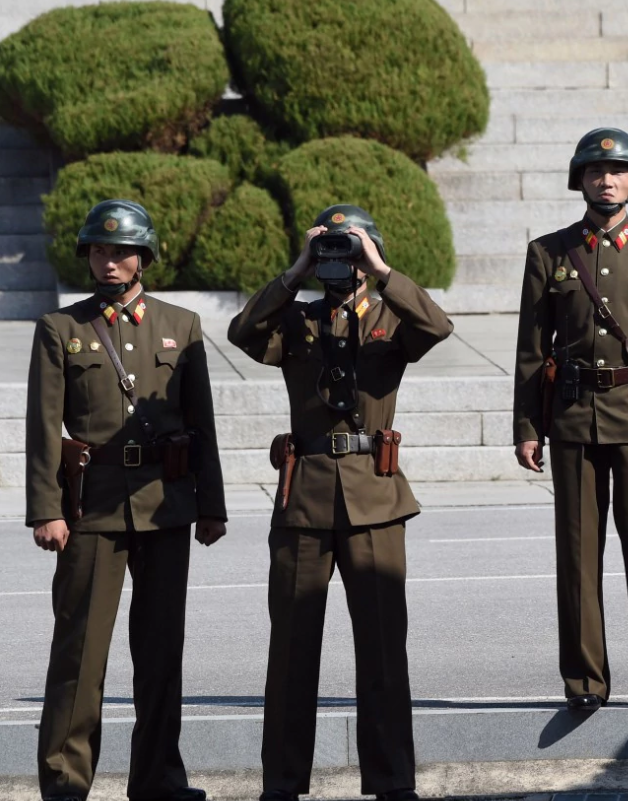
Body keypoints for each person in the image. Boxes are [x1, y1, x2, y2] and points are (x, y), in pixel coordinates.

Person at [227, 205, 453, 801]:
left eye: (346, 251)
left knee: (382, 652)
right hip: (303, 499)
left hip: (374, 498)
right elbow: (242, 333)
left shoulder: (388, 316)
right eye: (332, 252)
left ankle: (391, 783)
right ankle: (282, 783)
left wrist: (382, 270)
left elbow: (437, 327)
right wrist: (296, 269)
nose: (338, 263)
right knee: (292, 652)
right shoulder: (297, 321)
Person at [27, 199, 227, 801]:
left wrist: (210, 504)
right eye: (97, 250)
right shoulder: (61, 329)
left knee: (162, 654)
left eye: (120, 251)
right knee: (80, 656)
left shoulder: (181, 323)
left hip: (165, 504)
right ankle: (65, 782)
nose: (108, 261)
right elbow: (43, 428)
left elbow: (203, 423)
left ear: (144, 257)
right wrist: (47, 510)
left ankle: (160, 780)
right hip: (91, 508)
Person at [512, 127, 628, 711]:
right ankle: (586, 681)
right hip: (573, 420)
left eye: (618, 171)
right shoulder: (548, 252)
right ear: (581, 181)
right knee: (576, 556)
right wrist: (527, 426)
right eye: (596, 173)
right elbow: (529, 348)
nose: (607, 179)